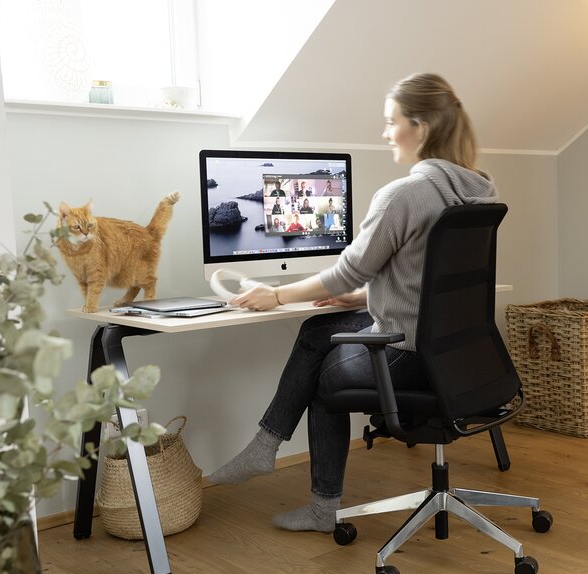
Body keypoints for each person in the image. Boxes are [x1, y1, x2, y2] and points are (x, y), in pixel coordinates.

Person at [208, 73, 497, 533]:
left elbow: (348, 269)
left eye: (391, 122)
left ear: (420, 128)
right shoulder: (476, 191)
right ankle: (264, 449)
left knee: (324, 381)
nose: (385, 133)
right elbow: (427, 283)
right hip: (455, 356)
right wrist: (364, 297)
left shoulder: (404, 195)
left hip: (411, 357)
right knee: (316, 331)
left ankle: (313, 498)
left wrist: (277, 294)